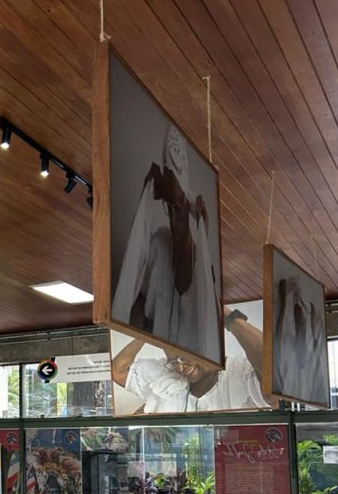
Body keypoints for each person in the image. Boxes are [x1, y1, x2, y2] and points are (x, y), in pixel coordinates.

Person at [111, 124, 219, 362]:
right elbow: (134, 296)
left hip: (191, 362)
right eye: (169, 204)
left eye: (178, 204)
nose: (173, 213)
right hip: (163, 357)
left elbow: (209, 325)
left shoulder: (199, 269)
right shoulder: (159, 244)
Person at [111, 306, 269, 413]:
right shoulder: (167, 376)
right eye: (173, 362)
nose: (180, 368)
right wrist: (147, 333)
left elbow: (274, 372)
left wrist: (229, 317)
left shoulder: (240, 372)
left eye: (183, 358)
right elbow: (117, 370)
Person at [273, 276, 327, 403]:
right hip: (303, 372)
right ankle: (292, 299)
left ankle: (288, 298)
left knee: (285, 348)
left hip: (295, 377)